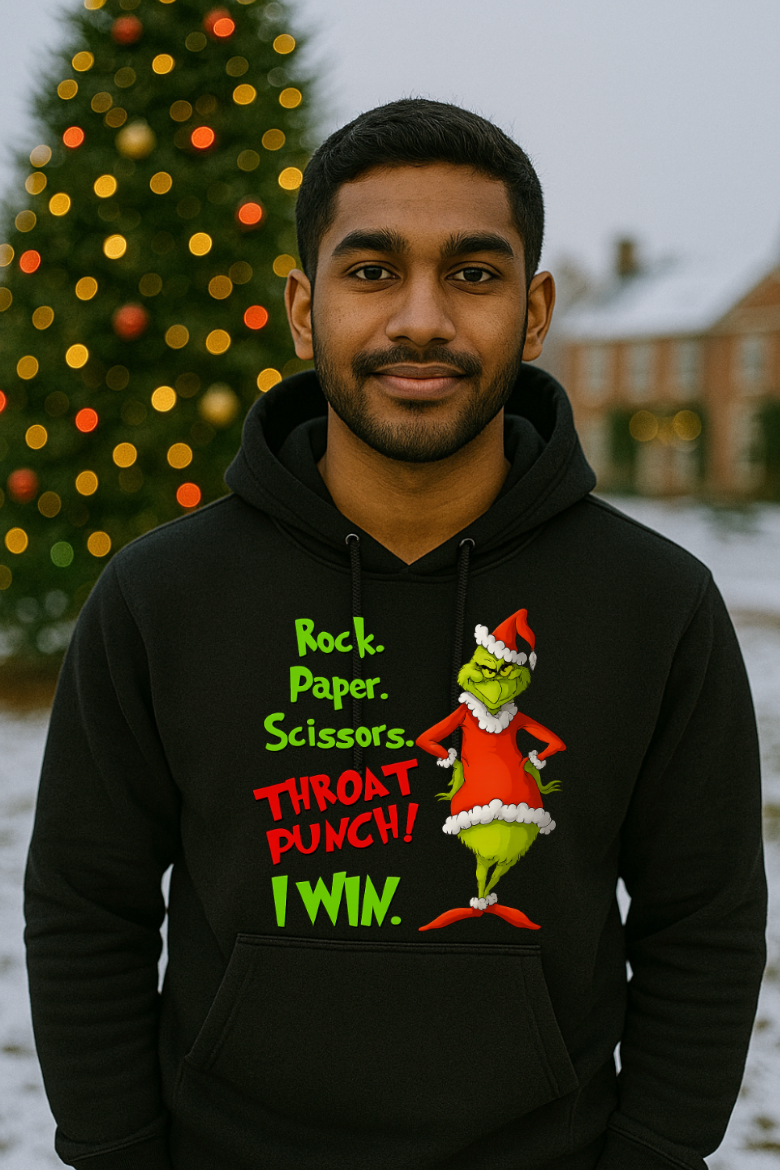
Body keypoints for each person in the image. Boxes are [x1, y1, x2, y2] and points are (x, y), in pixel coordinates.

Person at [25, 98, 766, 1170]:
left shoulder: (655, 604)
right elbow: (84, 905)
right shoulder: (161, 595)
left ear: (536, 308)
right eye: (372, 271)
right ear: (301, 306)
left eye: (474, 273)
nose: (422, 319)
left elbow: (705, 923)